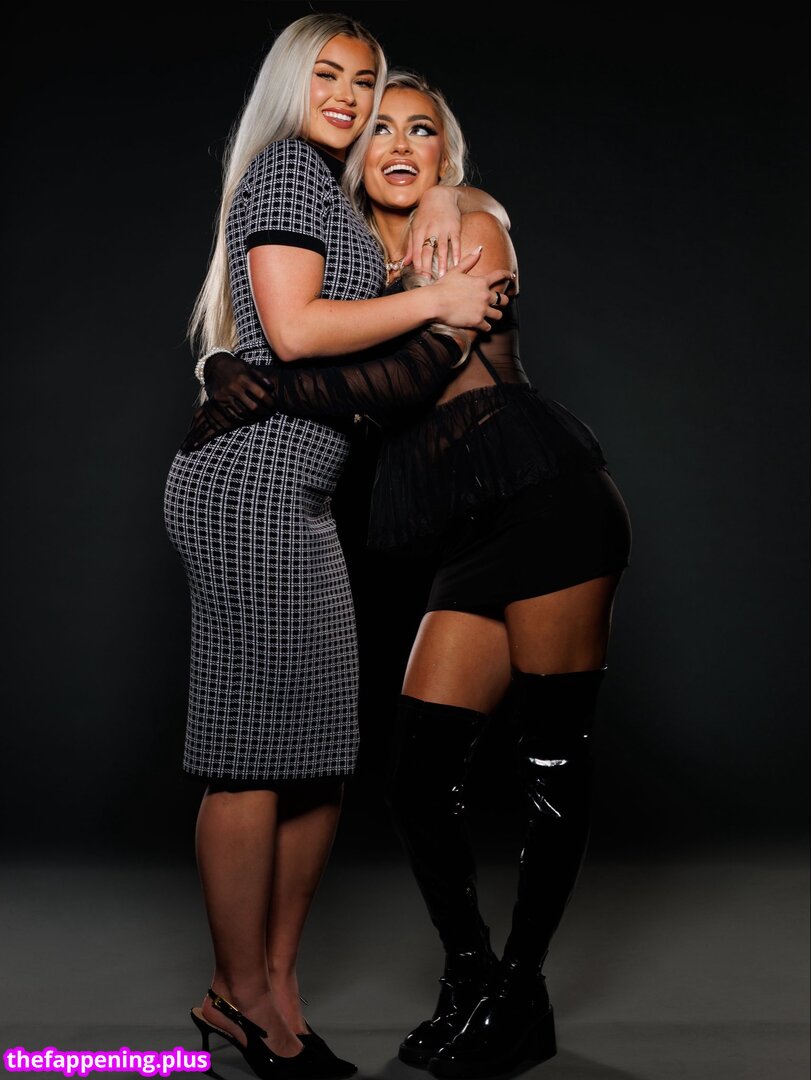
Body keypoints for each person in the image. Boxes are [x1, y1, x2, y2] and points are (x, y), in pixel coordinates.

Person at [184, 71, 631, 1079]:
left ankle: (520, 993)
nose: (396, 142)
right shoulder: (354, 260)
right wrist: (220, 360)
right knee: (420, 777)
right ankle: (470, 974)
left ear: (444, 153)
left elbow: (416, 367)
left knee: (551, 759)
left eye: (419, 130)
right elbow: (292, 326)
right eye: (378, 127)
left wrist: (260, 383)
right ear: (352, 156)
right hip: (465, 531)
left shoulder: (464, 223)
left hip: (547, 503)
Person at [163, 20, 512, 1080]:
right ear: (289, 82)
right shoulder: (286, 170)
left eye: (364, 79)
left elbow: (299, 331)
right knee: (249, 755)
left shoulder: (337, 190)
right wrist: (439, 301)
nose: (351, 97)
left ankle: (276, 989)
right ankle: (239, 995)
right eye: (328, 75)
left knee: (317, 753)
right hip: (250, 485)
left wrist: (451, 213)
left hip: (302, 489)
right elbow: (297, 329)